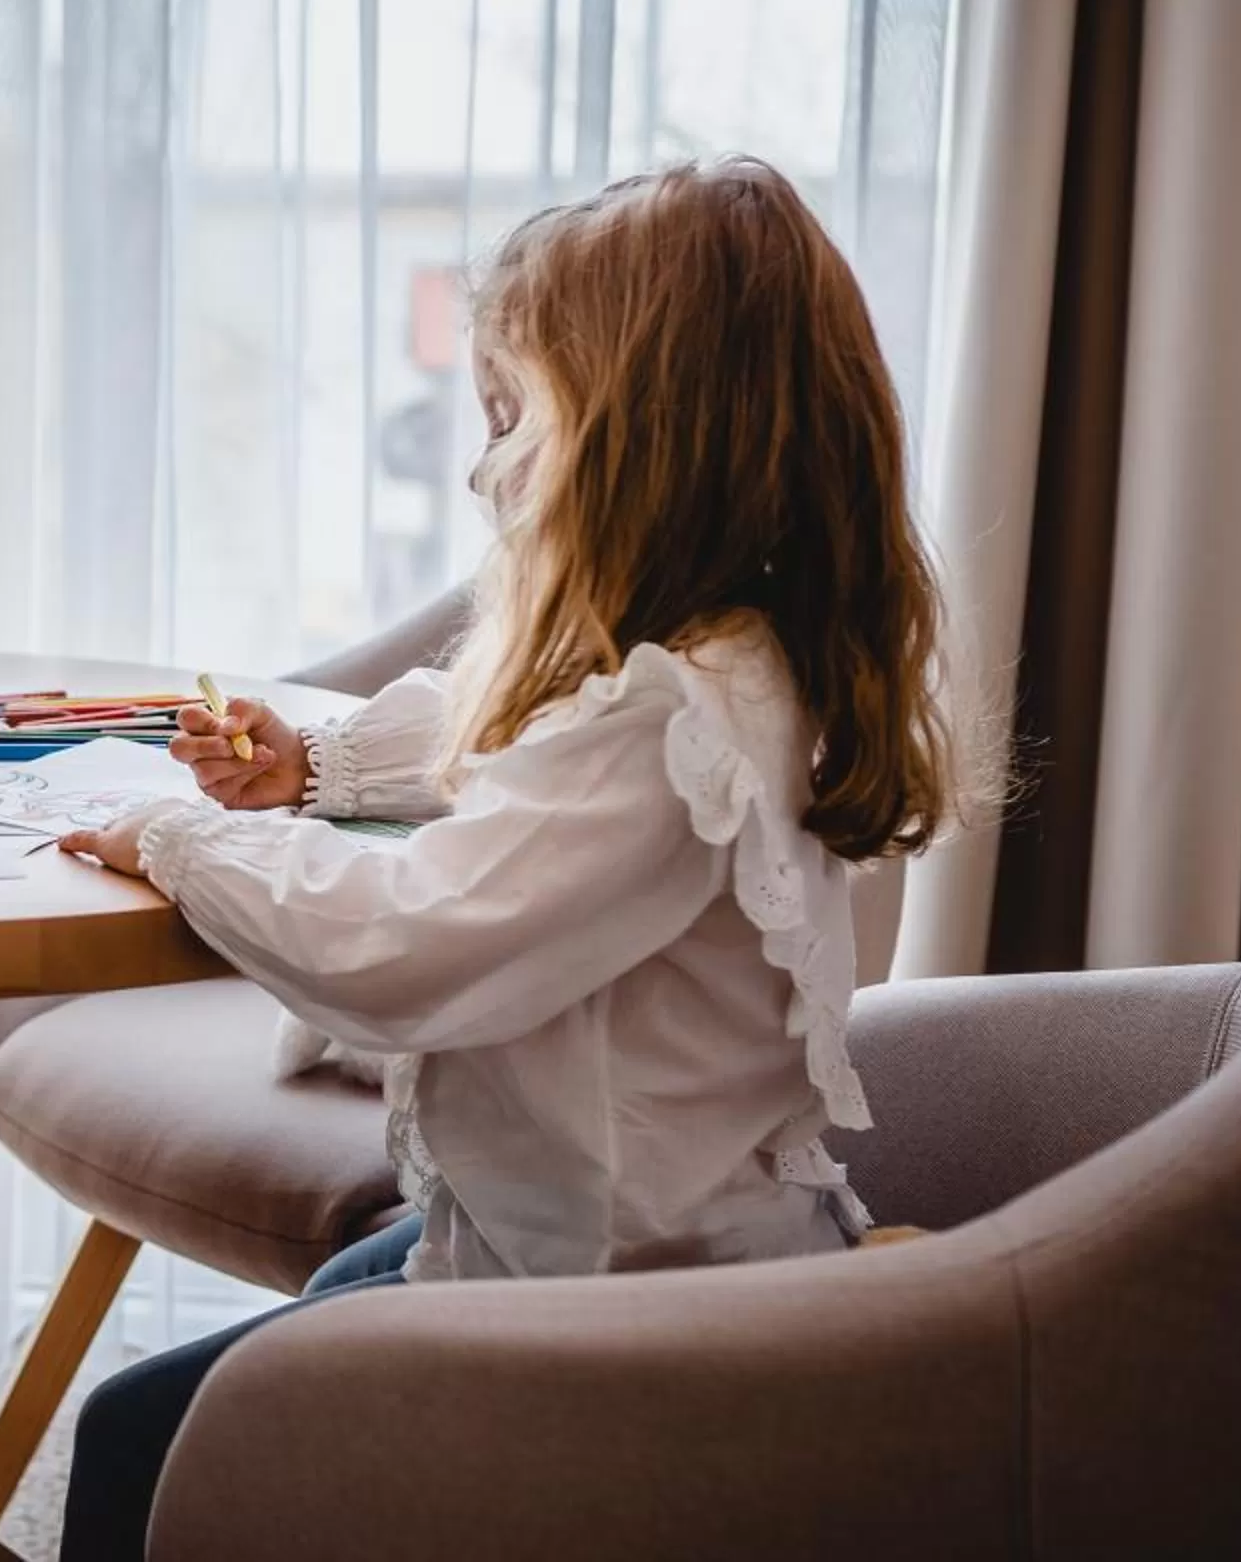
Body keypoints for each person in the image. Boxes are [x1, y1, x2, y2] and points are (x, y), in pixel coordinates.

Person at [53, 157, 966, 1561]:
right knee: (298, 1348)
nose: (487, 468)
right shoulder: (732, 670)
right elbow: (535, 781)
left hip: (630, 1312)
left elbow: (398, 950)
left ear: (643, 441)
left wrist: (184, 838)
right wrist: (324, 768)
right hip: (609, 1241)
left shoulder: (673, 720)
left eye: (512, 416)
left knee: (139, 1439)